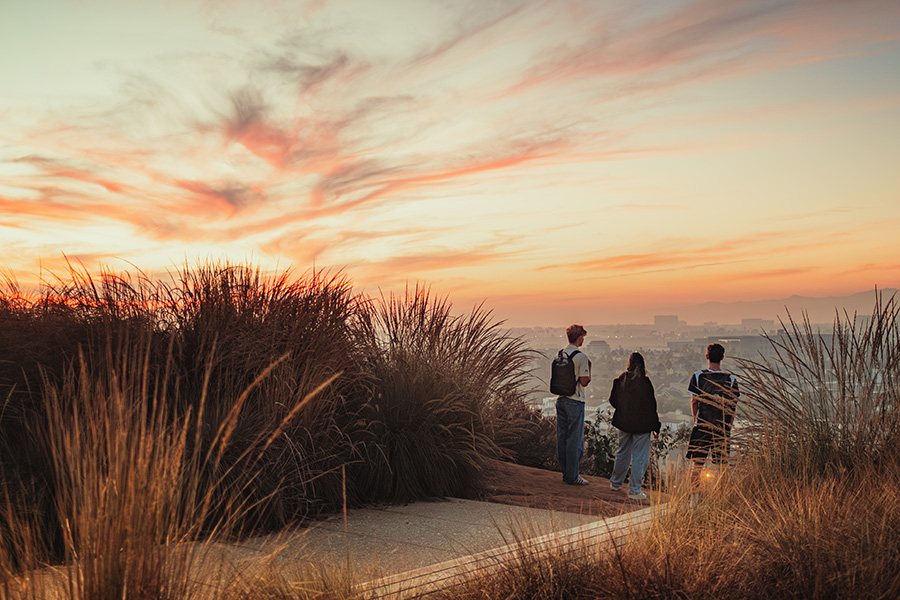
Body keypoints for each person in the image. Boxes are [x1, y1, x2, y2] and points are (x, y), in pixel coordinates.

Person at [686, 343, 740, 489]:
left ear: (707, 356)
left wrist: (695, 420)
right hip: (722, 426)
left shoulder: (698, 376)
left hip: (702, 424)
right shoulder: (731, 379)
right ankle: (721, 496)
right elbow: (732, 406)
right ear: (722, 357)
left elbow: (694, 401)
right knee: (722, 466)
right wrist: (729, 425)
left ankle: (694, 496)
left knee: (697, 464)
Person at [608, 352, 661, 500]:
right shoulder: (645, 383)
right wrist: (656, 427)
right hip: (642, 426)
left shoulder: (621, 380)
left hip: (624, 423)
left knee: (622, 453)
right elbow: (652, 406)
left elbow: (613, 401)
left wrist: (624, 409)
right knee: (639, 457)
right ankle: (635, 490)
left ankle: (616, 483)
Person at [555, 324, 592, 485]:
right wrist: (589, 368)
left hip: (560, 399)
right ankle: (573, 476)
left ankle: (565, 473)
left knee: (562, 438)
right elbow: (584, 382)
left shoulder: (561, 354)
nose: (583, 339)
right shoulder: (581, 357)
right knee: (574, 440)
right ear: (579, 338)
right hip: (575, 401)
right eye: (582, 337)